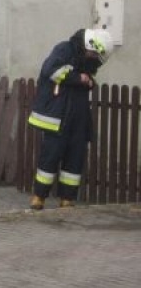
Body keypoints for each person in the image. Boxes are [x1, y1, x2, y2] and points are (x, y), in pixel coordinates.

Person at [27, 28, 113, 210]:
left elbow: (85, 79)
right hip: (59, 118)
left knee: (75, 160)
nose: (94, 57)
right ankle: (39, 197)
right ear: (89, 44)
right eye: (94, 53)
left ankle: (67, 199)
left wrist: (89, 81)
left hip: (78, 118)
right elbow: (50, 70)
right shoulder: (64, 49)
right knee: (50, 157)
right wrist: (78, 77)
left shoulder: (87, 61)